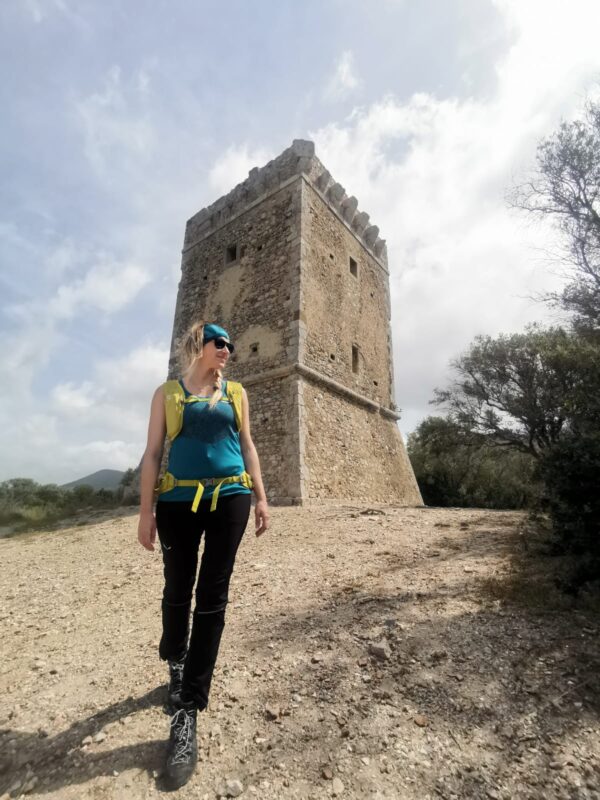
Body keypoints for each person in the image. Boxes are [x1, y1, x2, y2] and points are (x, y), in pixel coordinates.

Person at [137, 320, 270, 790]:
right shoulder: (167, 394)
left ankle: (187, 709)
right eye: (220, 343)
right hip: (177, 503)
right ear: (200, 345)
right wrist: (145, 511)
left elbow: (248, 445)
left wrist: (260, 496)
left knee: (213, 598)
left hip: (230, 497)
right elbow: (153, 454)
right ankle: (175, 656)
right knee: (177, 588)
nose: (228, 350)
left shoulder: (236, 393)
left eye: (231, 345)